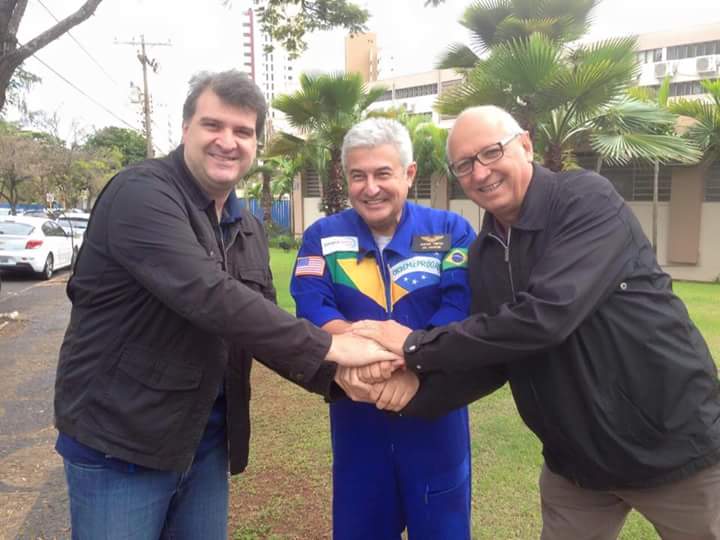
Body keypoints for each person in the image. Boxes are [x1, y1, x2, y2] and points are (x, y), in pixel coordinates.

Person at [53, 70, 396, 540]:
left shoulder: (247, 226)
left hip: (204, 442)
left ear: (256, 143)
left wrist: (338, 380)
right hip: (121, 443)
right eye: (213, 125)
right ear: (185, 129)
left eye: (243, 131)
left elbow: (261, 327)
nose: (227, 142)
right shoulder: (142, 194)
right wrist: (337, 348)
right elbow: (209, 296)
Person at [353, 105, 720, 540]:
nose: (481, 172)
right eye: (465, 165)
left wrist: (415, 345)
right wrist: (413, 393)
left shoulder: (585, 200)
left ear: (525, 145)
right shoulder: (485, 252)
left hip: (674, 449)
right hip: (576, 467)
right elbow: (493, 358)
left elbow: (545, 318)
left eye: (491, 152)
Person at [290, 118, 477, 540]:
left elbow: (459, 305)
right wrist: (362, 356)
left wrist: (413, 363)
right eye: (358, 175)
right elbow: (311, 301)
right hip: (358, 413)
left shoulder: (450, 232)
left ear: (409, 174)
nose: (370, 187)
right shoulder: (323, 235)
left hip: (434, 416)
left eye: (382, 173)